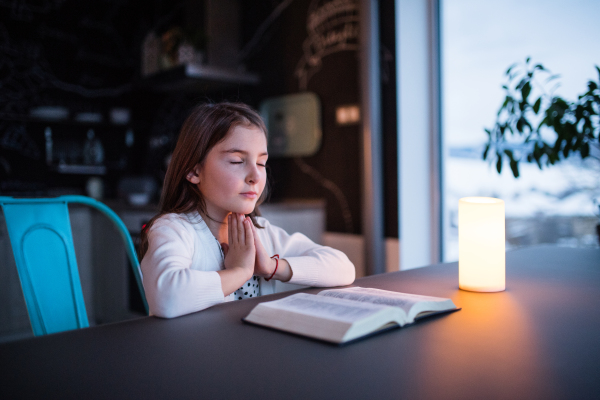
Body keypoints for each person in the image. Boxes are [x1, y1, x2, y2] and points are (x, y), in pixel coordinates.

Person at [139, 102, 355, 318]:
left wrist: (271, 266)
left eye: (261, 163)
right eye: (237, 161)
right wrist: (239, 272)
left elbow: (344, 268)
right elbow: (166, 298)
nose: (255, 176)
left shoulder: (260, 232)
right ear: (194, 171)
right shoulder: (173, 230)